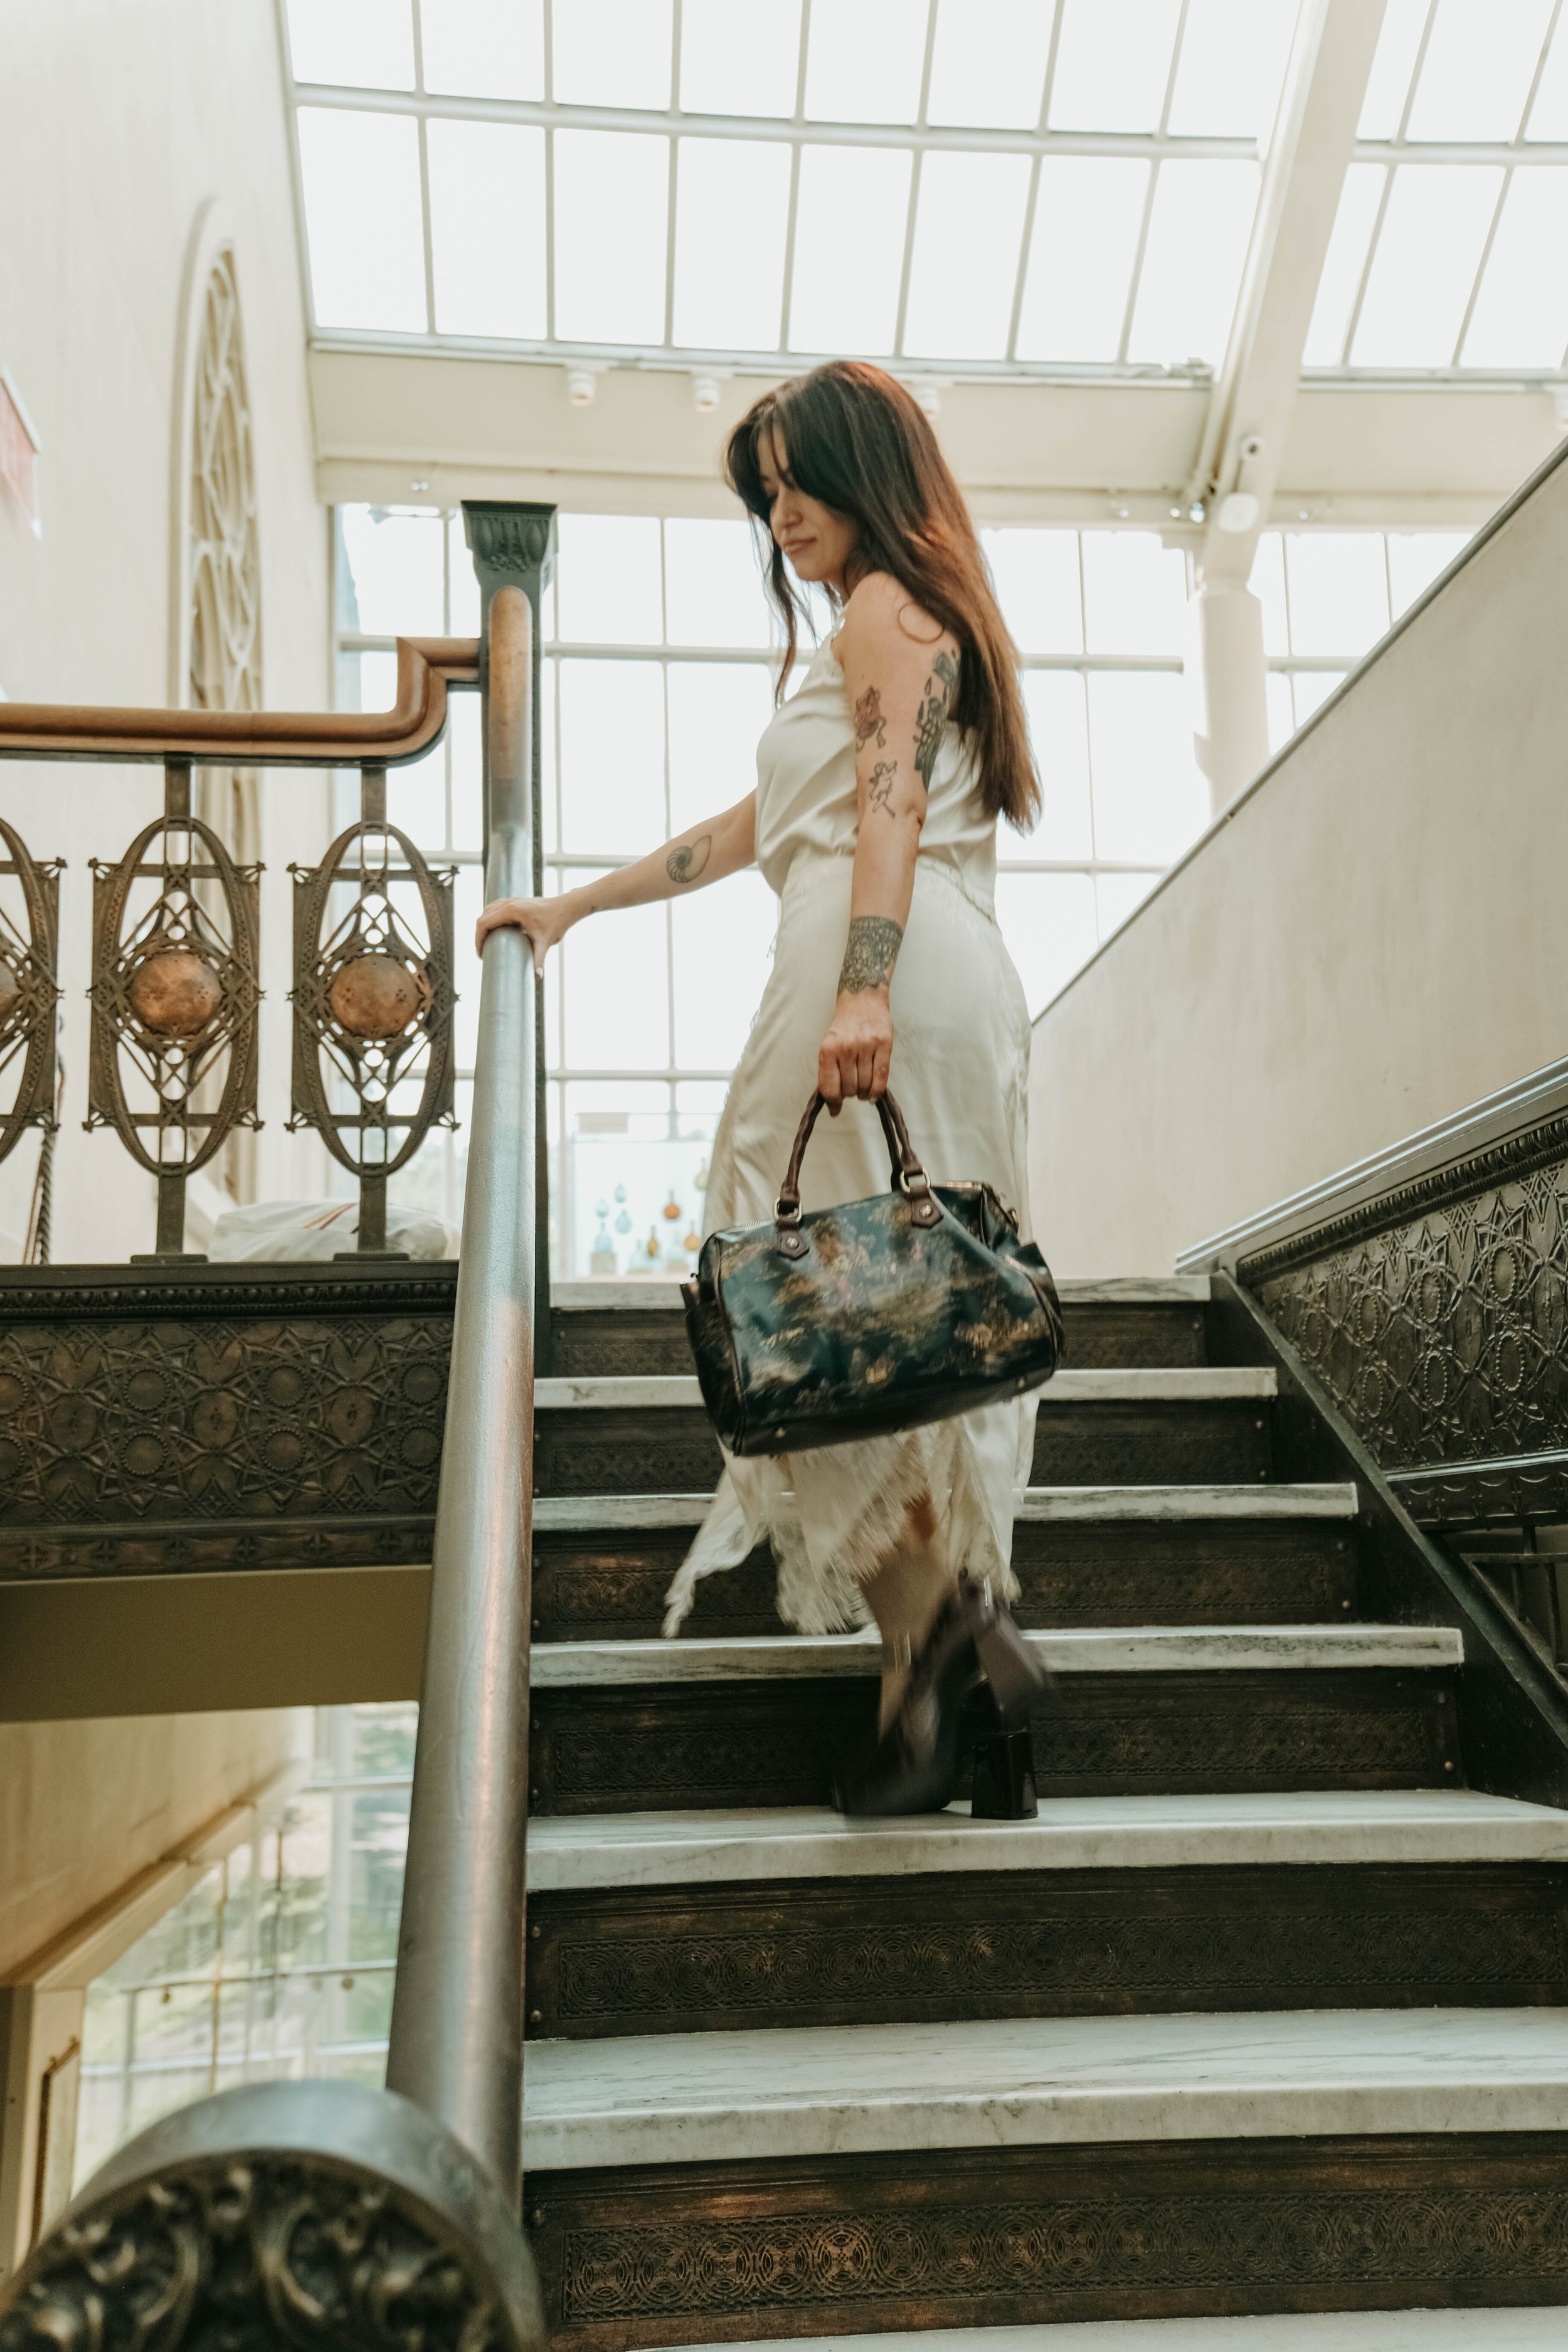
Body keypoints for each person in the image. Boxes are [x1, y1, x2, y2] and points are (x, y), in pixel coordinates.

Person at [475, 359, 1046, 1816]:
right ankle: (953, 1657)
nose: (780, 513)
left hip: (884, 976)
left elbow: (888, 804)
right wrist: (574, 907)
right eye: (765, 491)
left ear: (869, 471)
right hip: (902, 966)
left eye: (799, 481)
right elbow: (756, 825)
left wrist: (859, 985)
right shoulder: (877, 624)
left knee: (818, 1328)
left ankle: (925, 1668)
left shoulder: (885, 610)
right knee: (870, 1327)